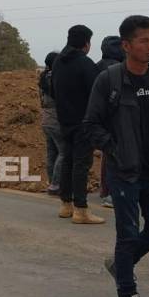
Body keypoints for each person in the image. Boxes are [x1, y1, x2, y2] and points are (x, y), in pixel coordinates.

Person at [84, 15, 149, 297]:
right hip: (123, 171)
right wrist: (115, 147)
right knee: (127, 234)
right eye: (144, 40)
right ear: (126, 45)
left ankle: (119, 266)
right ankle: (127, 292)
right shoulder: (109, 79)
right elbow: (91, 124)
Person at [52, 24, 105, 224]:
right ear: (86, 43)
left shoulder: (58, 62)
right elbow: (96, 94)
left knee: (67, 160)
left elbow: (52, 89)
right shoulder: (85, 64)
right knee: (81, 164)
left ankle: (66, 205)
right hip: (83, 122)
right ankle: (81, 209)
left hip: (64, 120)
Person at [96, 35, 125, 208]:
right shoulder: (119, 69)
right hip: (117, 121)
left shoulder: (96, 67)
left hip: (99, 121)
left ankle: (105, 189)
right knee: (117, 158)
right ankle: (113, 194)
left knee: (107, 156)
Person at [39, 52, 65, 196]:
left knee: (51, 153)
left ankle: (51, 183)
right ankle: (56, 185)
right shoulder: (55, 78)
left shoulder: (42, 78)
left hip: (46, 119)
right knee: (64, 152)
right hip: (56, 119)